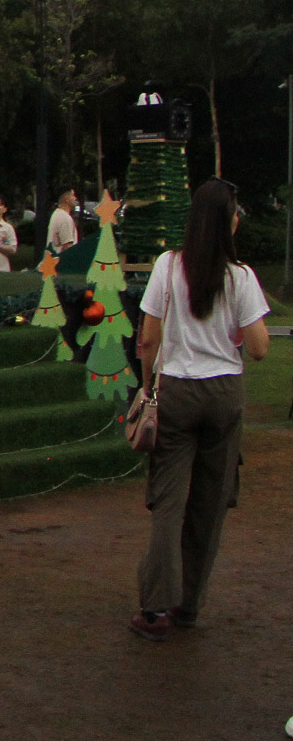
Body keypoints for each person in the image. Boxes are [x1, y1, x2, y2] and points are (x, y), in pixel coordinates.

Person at [131, 180, 269, 641]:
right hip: (224, 393)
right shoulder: (241, 277)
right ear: (225, 221)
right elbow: (260, 348)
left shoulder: (168, 267)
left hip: (176, 392)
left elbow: (148, 339)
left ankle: (155, 609)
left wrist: (147, 388)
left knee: (168, 502)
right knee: (209, 504)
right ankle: (188, 606)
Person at [45, 188, 82, 275]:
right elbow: (68, 247)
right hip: (61, 268)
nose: (75, 198)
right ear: (66, 198)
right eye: (73, 195)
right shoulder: (64, 218)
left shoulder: (57, 214)